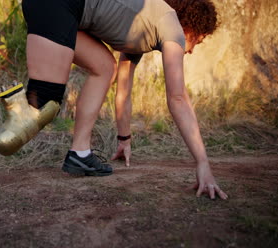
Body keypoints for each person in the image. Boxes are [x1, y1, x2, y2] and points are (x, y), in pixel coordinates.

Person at [21, 0, 228, 199]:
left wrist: (124, 140)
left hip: (57, 10)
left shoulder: (141, 27)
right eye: (197, 41)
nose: (191, 50)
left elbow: (123, 93)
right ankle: (12, 116)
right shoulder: (170, 22)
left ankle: (80, 154)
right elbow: (178, 98)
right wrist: (202, 163)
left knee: (104, 67)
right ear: (191, 25)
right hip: (62, 5)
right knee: (43, 104)